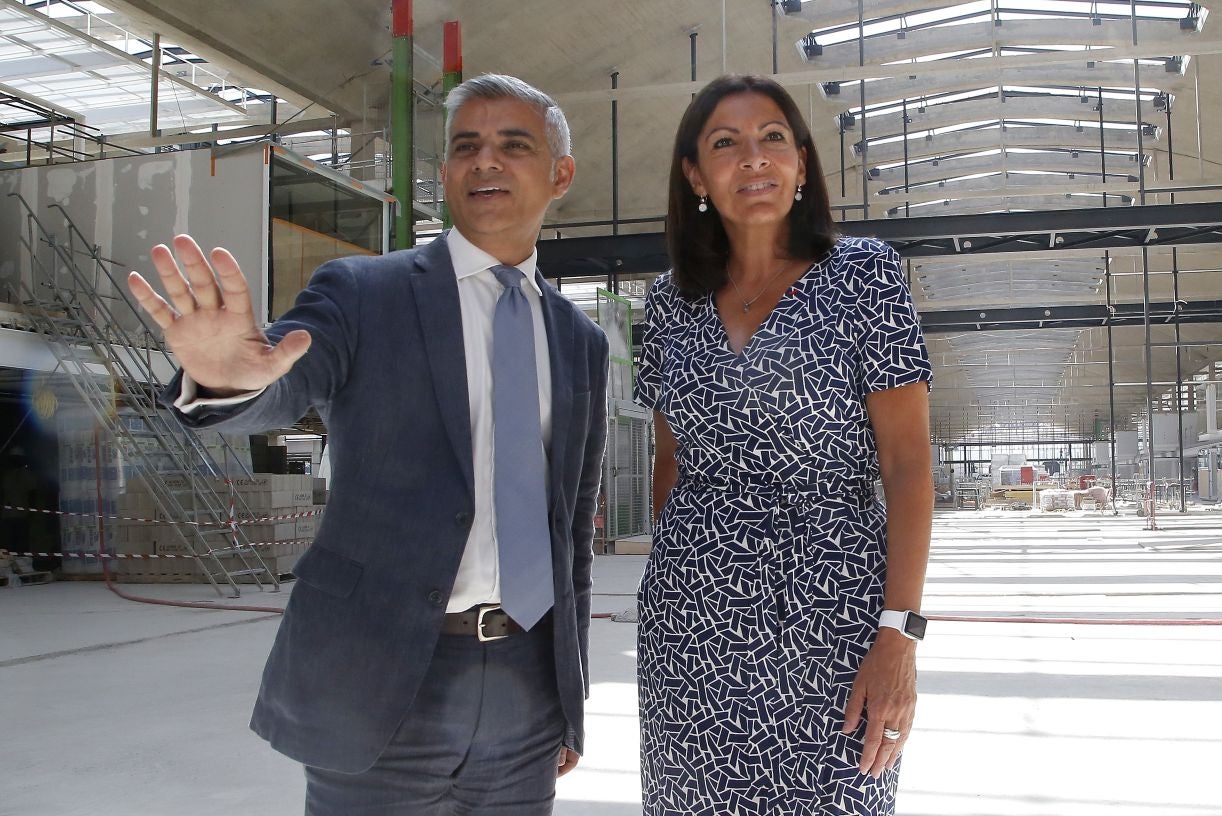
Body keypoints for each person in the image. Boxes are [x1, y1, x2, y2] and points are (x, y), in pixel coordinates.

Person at [127, 74, 608, 816]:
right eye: (465, 147)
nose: (486, 163)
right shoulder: (363, 293)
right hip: (381, 684)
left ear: (560, 175)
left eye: (514, 146)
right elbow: (288, 379)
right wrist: (229, 379)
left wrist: (567, 697)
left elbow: (568, 527)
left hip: (524, 691)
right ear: (445, 173)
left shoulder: (579, 341)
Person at [634, 74, 933, 815]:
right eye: (726, 143)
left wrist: (900, 632)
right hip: (691, 626)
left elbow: (907, 466)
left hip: (835, 619)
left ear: (801, 163)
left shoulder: (864, 277)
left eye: (773, 139)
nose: (754, 158)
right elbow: (669, 465)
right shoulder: (669, 302)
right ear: (696, 175)